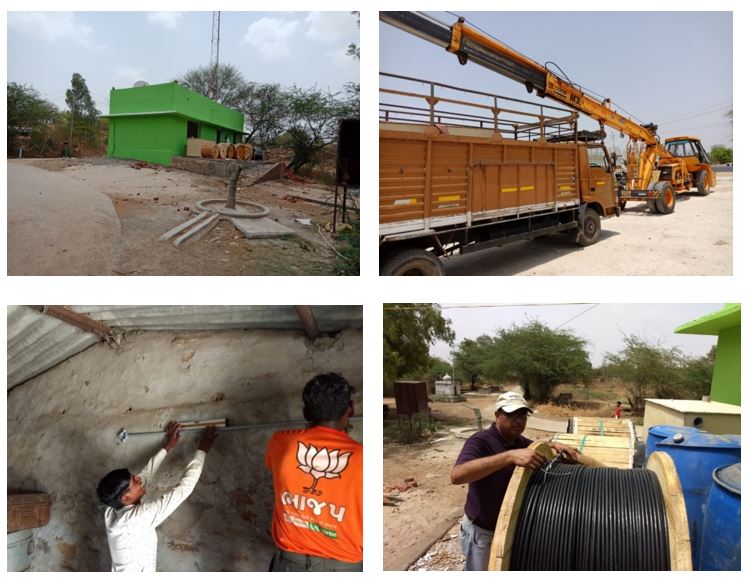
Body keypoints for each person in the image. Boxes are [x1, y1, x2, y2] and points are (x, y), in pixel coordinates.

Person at [451, 391, 578, 571]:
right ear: (497, 415)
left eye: (523, 416)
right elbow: (457, 476)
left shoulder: (518, 441)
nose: (518, 421)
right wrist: (508, 457)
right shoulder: (480, 440)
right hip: (483, 532)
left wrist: (554, 445)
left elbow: (537, 447)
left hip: (508, 528)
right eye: (512, 415)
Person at [266, 373, 362, 571]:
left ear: (305, 413)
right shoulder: (362, 458)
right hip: (343, 567)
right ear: (349, 410)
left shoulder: (282, 442)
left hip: (289, 564)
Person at [96, 422, 218, 571]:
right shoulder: (139, 517)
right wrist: (202, 450)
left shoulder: (111, 510)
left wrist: (168, 447)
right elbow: (183, 489)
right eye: (134, 481)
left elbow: (145, 476)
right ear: (126, 498)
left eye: (135, 477)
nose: (139, 479)